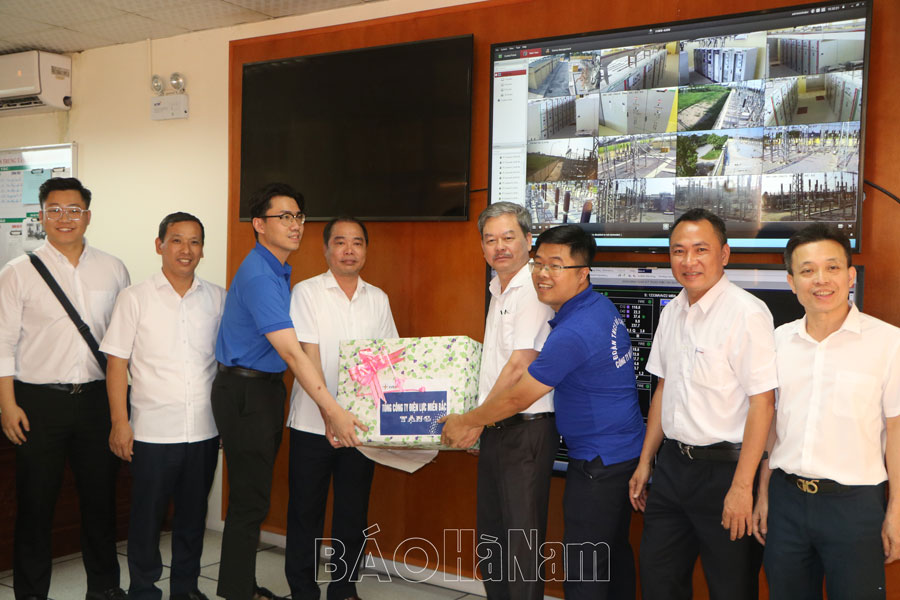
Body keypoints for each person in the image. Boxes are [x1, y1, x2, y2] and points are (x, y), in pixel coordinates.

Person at [442, 224, 644, 600]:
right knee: (613, 556)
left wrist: (466, 421)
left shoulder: (574, 331)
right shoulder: (598, 306)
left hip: (598, 462)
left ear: (583, 273)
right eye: (539, 263)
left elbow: (518, 397)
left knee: (584, 571)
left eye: (556, 265)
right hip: (620, 454)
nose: (543, 274)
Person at [212, 182, 365, 600]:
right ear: (259, 224)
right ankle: (239, 592)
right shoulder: (261, 275)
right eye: (284, 217)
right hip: (246, 391)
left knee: (251, 497)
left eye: (298, 216)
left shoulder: (277, 269)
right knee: (250, 500)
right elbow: (294, 354)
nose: (295, 224)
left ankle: (240, 587)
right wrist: (333, 411)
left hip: (259, 389)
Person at [628, 208, 777, 600]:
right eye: (678, 251)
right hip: (673, 469)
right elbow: (664, 389)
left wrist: (742, 488)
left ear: (724, 254)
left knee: (731, 587)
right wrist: (646, 461)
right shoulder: (672, 311)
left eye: (700, 249)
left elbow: (764, 404)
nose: (688, 260)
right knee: (658, 580)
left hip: (726, 473)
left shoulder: (746, 313)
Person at [752, 224, 900, 599]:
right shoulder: (778, 341)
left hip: (856, 507)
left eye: (832, 268)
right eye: (807, 270)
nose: (821, 279)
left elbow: (897, 431)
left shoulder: (889, 342)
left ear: (850, 276)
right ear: (791, 281)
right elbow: (773, 422)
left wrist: (897, 510)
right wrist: (764, 492)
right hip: (786, 501)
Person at [0, 177, 130, 600]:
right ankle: (31, 593)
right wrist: (7, 404)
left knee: (100, 502)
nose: (64, 218)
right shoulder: (16, 273)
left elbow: (124, 340)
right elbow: (2, 343)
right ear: (41, 216)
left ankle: (104, 589)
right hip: (39, 403)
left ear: (87, 216)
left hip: (96, 401)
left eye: (74, 209)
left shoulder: (113, 268)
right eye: (54, 209)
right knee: (35, 506)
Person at [101, 212, 225, 600]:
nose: (186, 249)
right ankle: (143, 589)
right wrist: (119, 421)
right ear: (159, 246)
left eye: (194, 241)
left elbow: (224, 364)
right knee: (146, 520)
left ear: (202, 249)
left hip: (203, 430)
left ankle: (185, 590)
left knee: (192, 518)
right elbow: (116, 364)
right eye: (176, 240)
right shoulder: (135, 297)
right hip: (152, 431)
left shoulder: (218, 298)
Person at [284, 217, 397, 600]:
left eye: (357, 243)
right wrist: (330, 414)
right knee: (305, 513)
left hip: (359, 428)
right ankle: (302, 591)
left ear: (366, 250)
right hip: (311, 424)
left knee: (352, 513)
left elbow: (387, 360)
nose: (349, 250)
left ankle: (344, 589)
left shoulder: (378, 298)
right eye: (340, 242)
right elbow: (307, 357)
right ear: (325, 248)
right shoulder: (306, 292)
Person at [457, 202, 557, 600]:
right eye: (490, 239)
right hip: (497, 427)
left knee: (520, 547)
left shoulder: (532, 288)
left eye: (508, 237)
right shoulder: (498, 288)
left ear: (529, 241)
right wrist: (482, 421)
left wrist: (473, 421)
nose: (499, 246)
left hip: (524, 431)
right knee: (493, 537)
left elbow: (519, 365)